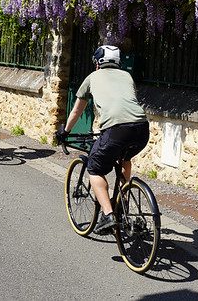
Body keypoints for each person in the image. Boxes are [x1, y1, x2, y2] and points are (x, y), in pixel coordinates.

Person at [56, 45, 150, 234]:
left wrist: (64, 132)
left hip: (116, 129)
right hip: (142, 128)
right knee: (125, 158)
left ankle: (108, 215)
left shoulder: (92, 77)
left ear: (98, 62)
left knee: (95, 167)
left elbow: (76, 110)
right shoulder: (127, 76)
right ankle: (123, 202)